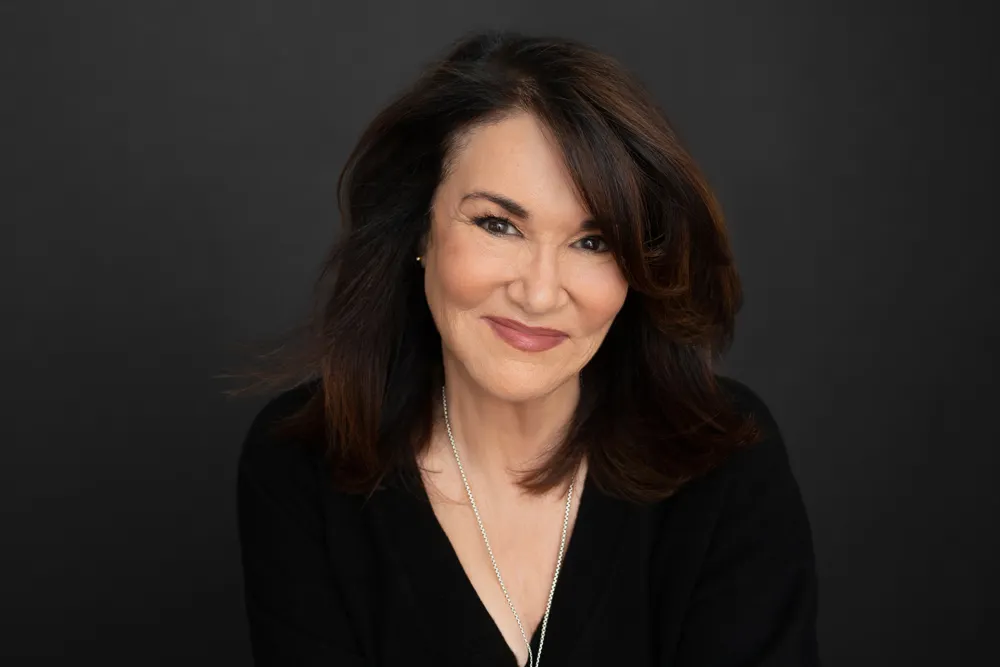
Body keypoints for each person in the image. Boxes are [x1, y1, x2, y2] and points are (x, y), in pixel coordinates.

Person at [235, 29, 820, 667]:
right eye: (498, 225)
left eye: (593, 242)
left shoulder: (723, 460)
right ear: (419, 230)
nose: (539, 294)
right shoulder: (304, 464)